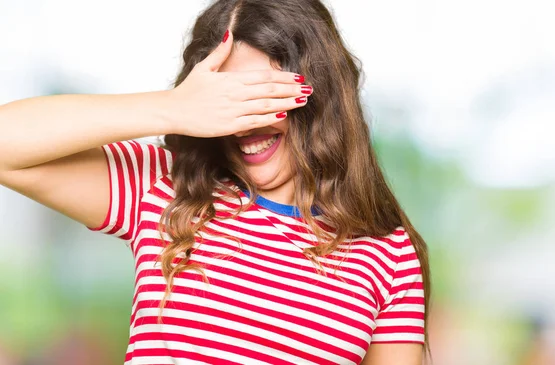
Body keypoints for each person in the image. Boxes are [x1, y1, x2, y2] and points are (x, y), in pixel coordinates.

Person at [0, 0, 431, 364]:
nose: (244, 123)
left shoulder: (389, 254)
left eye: (262, 97)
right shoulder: (166, 189)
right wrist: (172, 108)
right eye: (227, 101)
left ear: (319, 97)